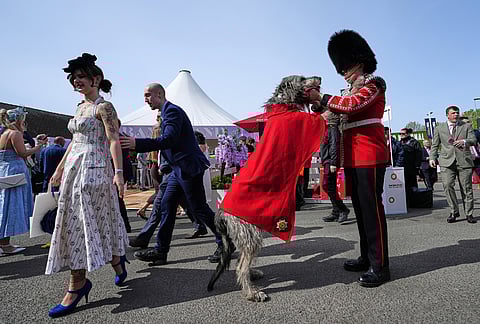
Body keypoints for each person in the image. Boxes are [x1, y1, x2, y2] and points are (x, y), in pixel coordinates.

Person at [45, 53, 129, 318]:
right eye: (74, 78)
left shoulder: (104, 107)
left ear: (96, 78)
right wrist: (58, 169)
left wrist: (118, 173)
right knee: (77, 221)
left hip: (96, 167)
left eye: (81, 77)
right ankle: (110, 264)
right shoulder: (79, 107)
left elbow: (114, 140)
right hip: (74, 167)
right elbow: (75, 142)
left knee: (91, 220)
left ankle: (85, 279)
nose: (76, 81)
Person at [310, 30, 390, 287]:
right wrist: (319, 105)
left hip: (370, 155)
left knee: (372, 211)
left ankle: (380, 266)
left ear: (361, 61)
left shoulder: (374, 84)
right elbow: (337, 110)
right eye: (341, 67)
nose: (344, 71)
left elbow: (352, 105)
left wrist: (323, 98)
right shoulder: (348, 90)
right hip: (354, 158)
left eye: (348, 65)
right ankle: (367, 257)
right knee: (360, 209)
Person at [120, 83, 224, 264]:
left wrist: (137, 143)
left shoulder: (172, 112)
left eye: (147, 95)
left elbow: (169, 139)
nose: (145, 100)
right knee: (167, 206)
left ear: (159, 94)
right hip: (178, 169)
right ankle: (161, 251)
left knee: (200, 208)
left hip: (187, 168)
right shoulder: (166, 112)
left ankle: (225, 242)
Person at [0, 107, 47, 256]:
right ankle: (5, 245)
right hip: (15, 172)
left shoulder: (5, 133)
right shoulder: (15, 133)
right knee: (11, 206)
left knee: (4, 206)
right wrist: (38, 147)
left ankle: (4, 242)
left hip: (6, 170)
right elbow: (22, 153)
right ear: (19, 120)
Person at [429, 105, 477, 224]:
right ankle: (454, 211)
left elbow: (474, 140)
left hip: (464, 161)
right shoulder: (439, 128)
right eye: (453, 113)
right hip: (446, 161)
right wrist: (432, 158)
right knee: (447, 185)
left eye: (457, 113)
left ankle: (469, 213)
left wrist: (464, 141)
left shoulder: (466, 126)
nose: (456, 115)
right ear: (447, 115)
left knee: (466, 188)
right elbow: (435, 145)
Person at [320, 111, 350, 223]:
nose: (322, 114)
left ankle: (342, 209)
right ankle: (336, 210)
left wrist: (333, 162)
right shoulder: (326, 129)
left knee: (327, 185)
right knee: (329, 185)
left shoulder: (332, 129)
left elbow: (334, 144)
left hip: (329, 161)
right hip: (327, 160)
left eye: (325, 113)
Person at [136, 122, 162, 220]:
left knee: (160, 192)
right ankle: (145, 209)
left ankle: (144, 209)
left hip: (154, 168)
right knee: (160, 192)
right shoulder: (160, 144)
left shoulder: (153, 145)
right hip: (158, 169)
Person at [400, 127, 422, 205]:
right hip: (403, 167)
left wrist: (417, 166)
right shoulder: (400, 143)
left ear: (408, 134)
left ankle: (414, 201)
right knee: (404, 185)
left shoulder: (414, 142)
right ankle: (406, 202)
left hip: (412, 167)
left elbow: (419, 155)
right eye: (400, 134)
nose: (401, 135)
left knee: (412, 185)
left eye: (403, 134)